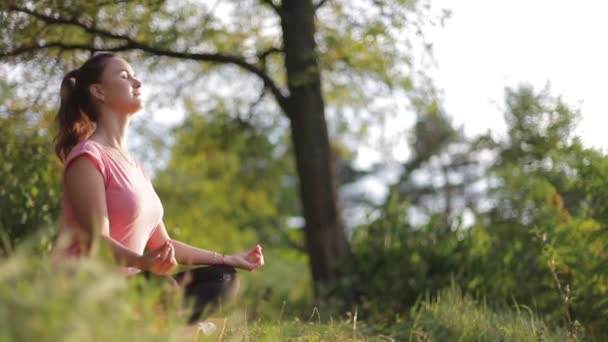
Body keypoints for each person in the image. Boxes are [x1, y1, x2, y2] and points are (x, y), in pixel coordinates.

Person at [51, 52, 264, 324]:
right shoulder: (88, 157)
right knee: (163, 288)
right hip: (91, 292)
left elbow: (164, 244)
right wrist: (144, 264)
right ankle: (181, 329)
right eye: (125, 76)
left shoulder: (137, 167)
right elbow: (98, 244)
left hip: (137, 284)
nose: (137, 82)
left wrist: (229, 258)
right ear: (99, 91)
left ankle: (168, 328)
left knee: (222, 277)